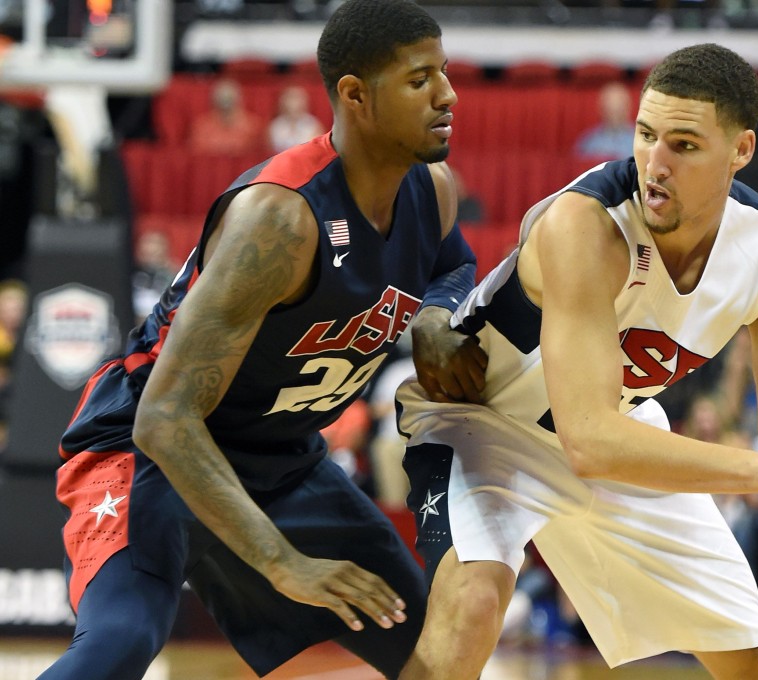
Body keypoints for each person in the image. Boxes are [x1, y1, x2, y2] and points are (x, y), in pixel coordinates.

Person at [396, 44, 758, 680]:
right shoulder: (585, 226)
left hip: (620, 429)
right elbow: (588, 439)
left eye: (685, 145)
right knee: (474, 606)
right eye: (645, 135)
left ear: (741, 150)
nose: (654, 163)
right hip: (483, 427)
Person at [41, 2, 486, 678]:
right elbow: (165, 418)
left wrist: (432, 316)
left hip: (282, 460)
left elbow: (453, 265)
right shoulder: (280, 219)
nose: (448, 94)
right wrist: (280, 561)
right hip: (149, 452)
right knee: (120, 643)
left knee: (436, 655)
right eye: (421, 78)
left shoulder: (434, 190)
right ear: (356, 96)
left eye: (445, 73)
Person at [188, 77, 265, 156]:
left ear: (239, 99)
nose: (226, 103)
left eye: (229, 98)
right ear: (213, 100)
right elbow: (198, 154)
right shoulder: (201, 127)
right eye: (222, 99)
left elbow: (257, 155)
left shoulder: (253, 126)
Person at [573, 81, 636, 161]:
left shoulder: (641, 141)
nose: (614, 110)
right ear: (601, 109)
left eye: (619, 108)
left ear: (628, 108)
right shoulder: (588, 142)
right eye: (610, 108)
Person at [268, 85, 325, 154]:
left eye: (297, 98)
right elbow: (270, 151)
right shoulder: (275, 126)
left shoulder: (314, 126)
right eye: (290, 98)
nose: (293, 104)